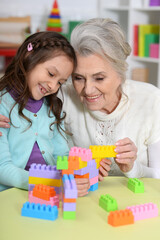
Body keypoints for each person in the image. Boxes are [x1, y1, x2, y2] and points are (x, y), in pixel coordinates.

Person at [1, 18, 160, 182]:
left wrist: (133, 168)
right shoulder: (58, 95)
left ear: (120, 74)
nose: (88, 90)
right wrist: (84, 169)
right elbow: (17, 87)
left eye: (99, 78)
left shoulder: (151, 100)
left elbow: (158, 175)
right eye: (78, 78)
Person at [0, 31, 84, 193]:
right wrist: (50, 181)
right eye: (51, 74)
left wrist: (75, 173)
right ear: (28, 56)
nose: (53, 86)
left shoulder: (51, 107)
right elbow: (2, 168)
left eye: (60, 82)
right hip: (11, 193)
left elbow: (62, 154)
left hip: (50, 190)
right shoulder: (2, 105)